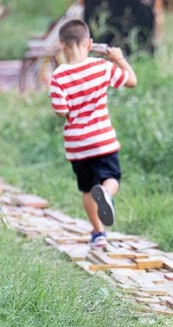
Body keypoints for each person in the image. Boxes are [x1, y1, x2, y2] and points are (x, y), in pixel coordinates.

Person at [49, 20, 137, 249]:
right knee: (112, 177)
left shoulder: (58, 76)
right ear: (89, 44)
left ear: (62, 45)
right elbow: (131, 82)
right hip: (102, 140)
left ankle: (98, 233)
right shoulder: (102, 67)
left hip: (77, 145)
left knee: (87, 189)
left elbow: (61, 111)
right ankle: (107, 192)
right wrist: (118, 58)